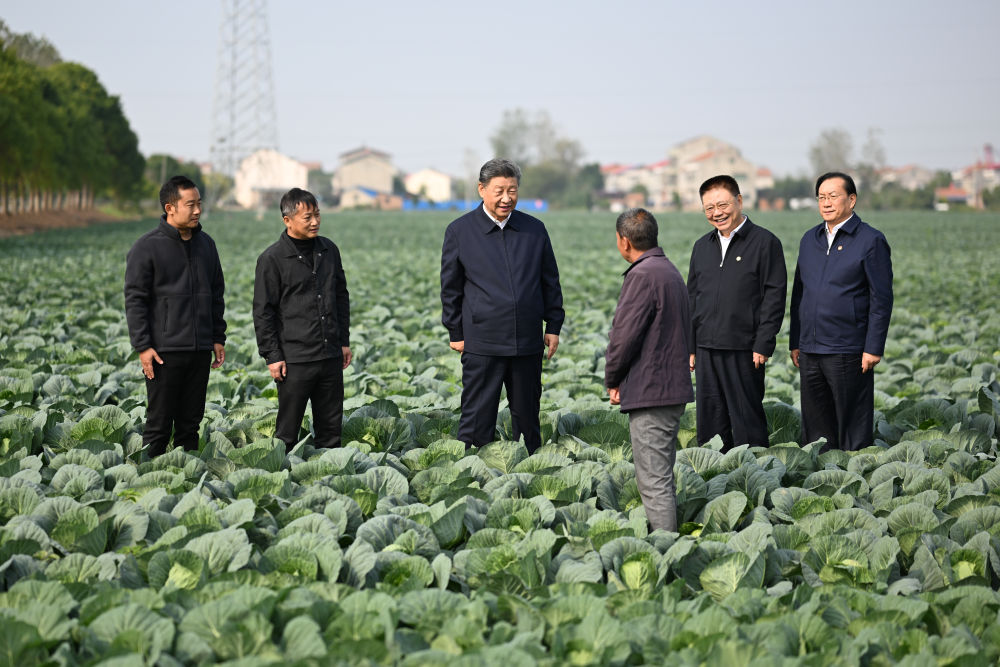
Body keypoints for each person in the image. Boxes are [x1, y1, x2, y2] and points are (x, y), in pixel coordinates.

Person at [440, 158, 564, 452]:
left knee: (527, 417)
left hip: (526, 341)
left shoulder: (534, 229)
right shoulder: (460, 231)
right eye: (499, 191)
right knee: (476, 418)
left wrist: (553, 325)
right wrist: (455, 332)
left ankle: (530, 465)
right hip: (482, 341)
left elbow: (550, 280)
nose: (507, 198)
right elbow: (450, 288)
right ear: (482, 189)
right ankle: (473, 469)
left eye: (512, 190)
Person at [124, 175, 226, 458]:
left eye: (199, 204)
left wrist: (217, 337)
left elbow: (216, 294)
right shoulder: (146, 247)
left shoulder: (206, 245)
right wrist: (143, 346)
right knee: (158, 425)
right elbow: (135, 300)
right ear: (170, 208)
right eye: (190, 205)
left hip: (199, 350)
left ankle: (188, 475)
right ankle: (148, 475)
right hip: (163, 352)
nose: (197, 210)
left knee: (190, 426)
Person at [790, 171, 893, 451]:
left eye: (833, 196)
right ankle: (820, 471)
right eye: (821, 197)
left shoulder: (870, 240)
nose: (826, 203)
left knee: (852, 424)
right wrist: (796, 341)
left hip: (848, 348)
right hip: (811, 348)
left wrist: (873, 347)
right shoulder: (809, 239)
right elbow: (799, 293)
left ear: (852, 199)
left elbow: (881, 299)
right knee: (815, 426)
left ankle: (856, 469)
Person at [605, 208, 693, 532]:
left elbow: (623, 337)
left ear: (624, 241)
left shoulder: (642, 275)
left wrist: (613, 379)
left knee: (653, 482)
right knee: (662, 477)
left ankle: (665, 550)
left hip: (651, 391)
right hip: (671, 389)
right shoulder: (668, 270)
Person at [687, 175, 786, 450]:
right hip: (706, 348)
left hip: (744, 348)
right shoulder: (702, 246)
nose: (716, 213)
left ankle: (754, 470)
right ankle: (714, 472)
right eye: (709, 208)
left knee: (747, 420)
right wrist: (690, 345)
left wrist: (763, 342)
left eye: (722, 205)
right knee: (710, 421)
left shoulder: (765, 243)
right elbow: (692, 298)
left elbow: (774, 297)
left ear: (739, 201)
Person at [253, 188, 351, 451]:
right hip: (294, 358)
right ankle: (282, 473)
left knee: (331, 431)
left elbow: (340, 297)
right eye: (308, 217)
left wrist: (343, 341)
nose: (315, 221)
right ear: (287, 220)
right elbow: (263, 311)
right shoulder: (272, 259)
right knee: (287, 431)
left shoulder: (329, 250)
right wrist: (272, 355)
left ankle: (330, 472)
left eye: (317, 215)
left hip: (329, 354)